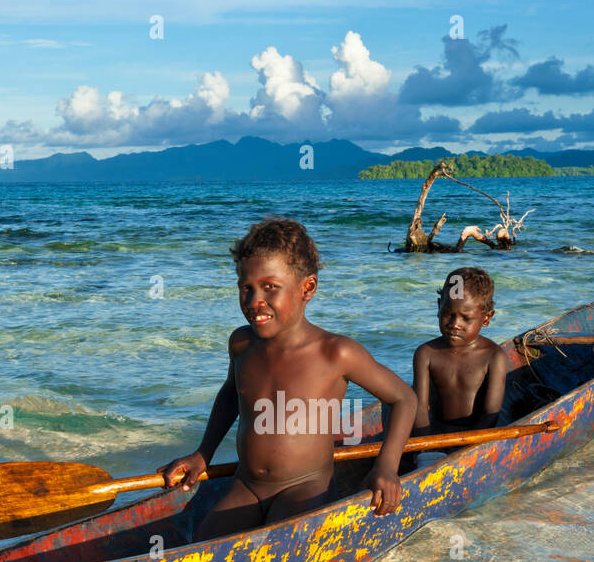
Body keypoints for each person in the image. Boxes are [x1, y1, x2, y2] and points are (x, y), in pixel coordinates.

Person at [159, 218, 416, 540]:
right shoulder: (241, 343)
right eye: (246, 288)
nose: (254, 301)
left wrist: (386, 466)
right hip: (248, 484)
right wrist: (203, 453)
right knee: (203, 549)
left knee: (276, 547)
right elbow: (231, 395)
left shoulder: (335, 353)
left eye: (270, 288)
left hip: (304, 487)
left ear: (306, 288)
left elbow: (403, 398)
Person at [411, 267, 508, 467]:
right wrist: (426, 444)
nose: (455, 324)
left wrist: (465, 449)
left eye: (466, 318)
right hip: (434, 437)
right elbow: (420, 408)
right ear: (439, 307)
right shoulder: (426, 353)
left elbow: (491, 413)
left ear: (486, 318)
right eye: (448, 314)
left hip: (475, 438)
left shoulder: (493, 356)